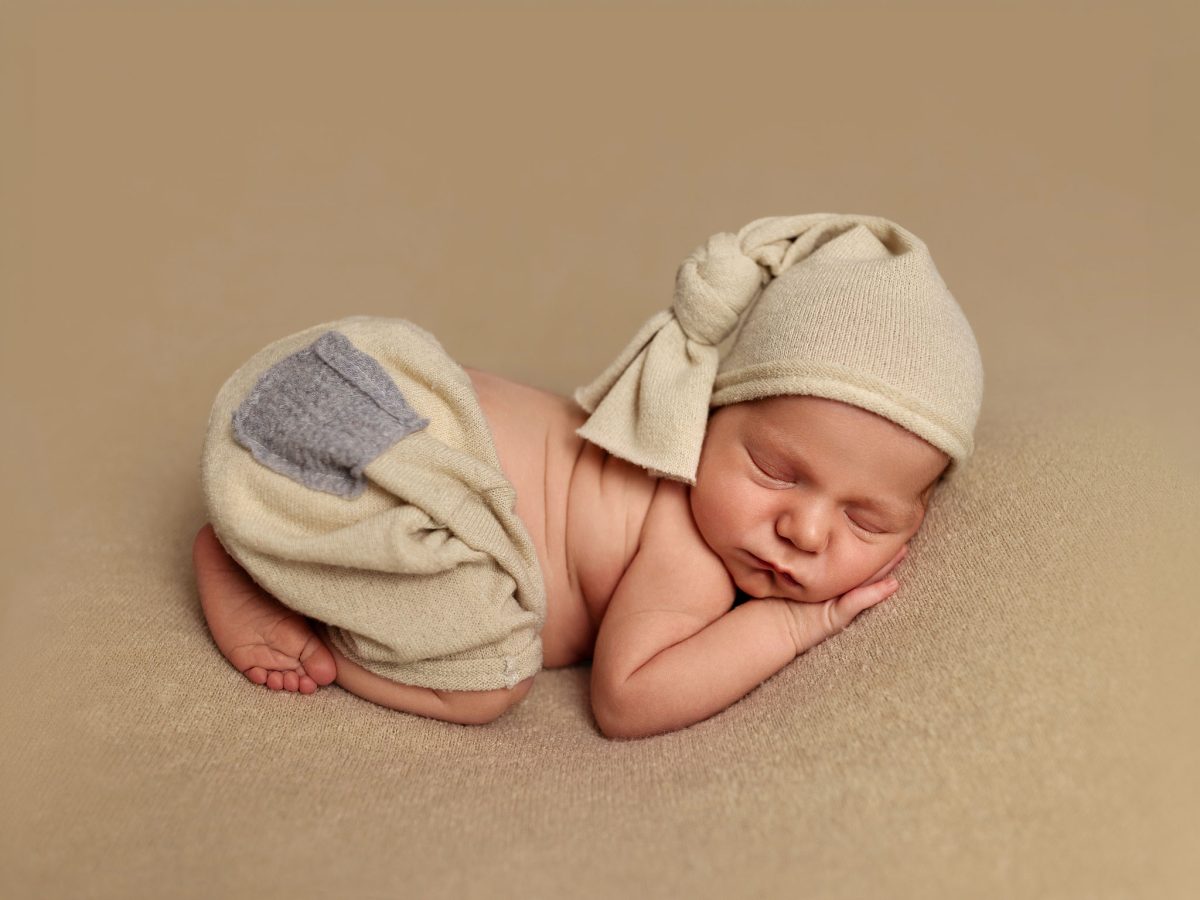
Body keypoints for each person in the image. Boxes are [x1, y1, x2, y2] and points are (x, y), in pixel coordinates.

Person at [192, 212, 983, 740]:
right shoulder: (689, 550)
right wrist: (795, 624)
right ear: (704, 413)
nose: (805, 531)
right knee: (488, 687)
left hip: (338, 385)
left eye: (868, 522)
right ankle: (278, 588)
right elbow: (626, 699)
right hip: (381, 472)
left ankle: (269, 541)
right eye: (776, 472)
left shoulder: (708, 496)